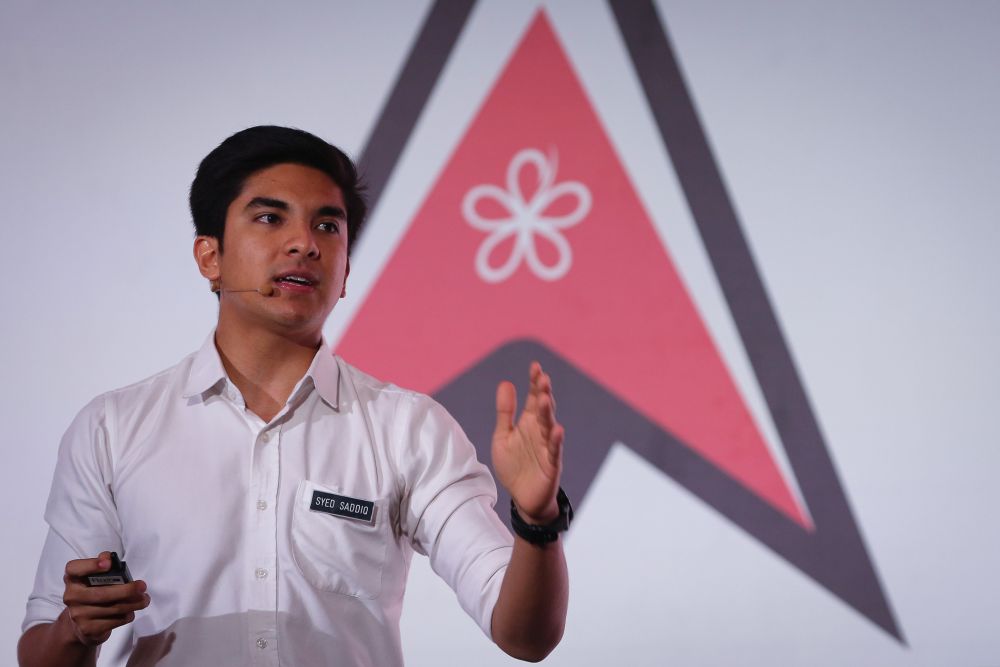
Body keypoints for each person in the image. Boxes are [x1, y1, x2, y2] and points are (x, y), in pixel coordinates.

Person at [18, 126, 570, 666]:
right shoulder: (111, 429)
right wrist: (76, 629)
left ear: (346, 272)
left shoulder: (409, 430)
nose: (305, 243)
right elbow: (41, 652)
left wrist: (538, 517)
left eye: (328, 226)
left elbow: (524, 636)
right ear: (210, 257)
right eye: (269, 217)